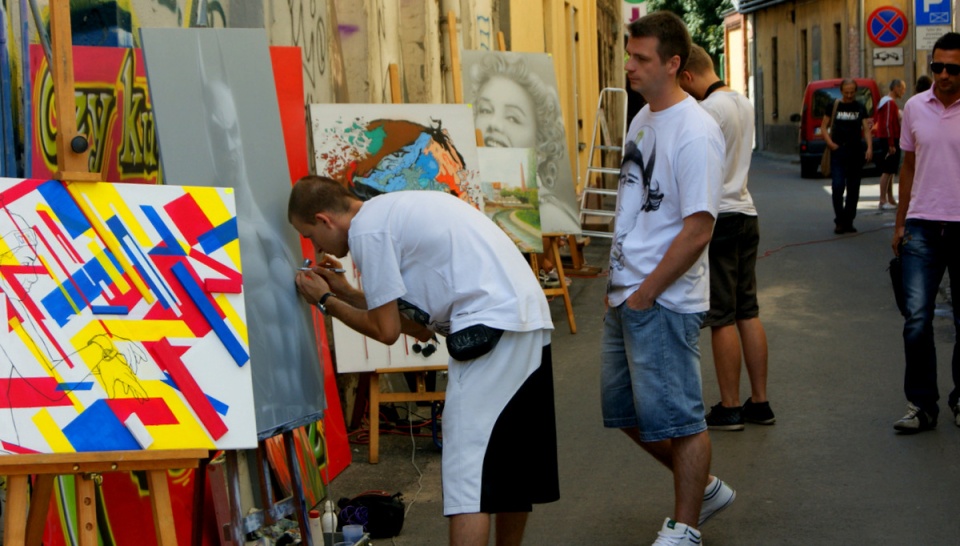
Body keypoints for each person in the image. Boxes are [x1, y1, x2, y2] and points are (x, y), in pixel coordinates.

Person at [288, 175, 559, 545]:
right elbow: (413, 325)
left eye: (309, 234)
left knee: (468, 481)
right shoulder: (390, 212)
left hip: (490, 328)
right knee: (508, 470)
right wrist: (348, 294)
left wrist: (325, 302)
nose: (314, 245)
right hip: (524, 320)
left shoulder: (368, 233)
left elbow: (385, 331)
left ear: (323, 219)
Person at [604, 12, 732, 545]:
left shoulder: (697, 131)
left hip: (662, 298)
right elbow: (633, 207)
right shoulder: (642, 119)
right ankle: (702, 487)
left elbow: (699, 229)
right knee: (623, 412)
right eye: (629, 56)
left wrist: (646, 293)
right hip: (627, 293)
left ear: (674, 64)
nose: (629, 66)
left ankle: (686, 528)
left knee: (680, 418)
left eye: (641, 58)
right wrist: (617, 288)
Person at [678, 44, 775, 432]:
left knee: (721, 316)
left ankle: (730, 406)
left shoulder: (705, 111)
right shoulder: (742, 102)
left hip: (719, 215)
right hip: (746, 211)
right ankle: (760, 401)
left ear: (687, 76)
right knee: (747, 310)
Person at [891, 32, 960, 433]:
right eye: (938, 66)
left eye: (953, 68)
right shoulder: (915, 107)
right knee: (916, 318)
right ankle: (922, 404)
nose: (944, 74)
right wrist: (900, 223)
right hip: (921, 226)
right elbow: (908, 166)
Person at [469, 52, 580, 283]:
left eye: (512, 118)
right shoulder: (466, 194)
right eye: (486, 110)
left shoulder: (549, 212)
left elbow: (545, 260)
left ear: (540, 145)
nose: (493, 125)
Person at [821, 78, 873, 234]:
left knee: (853, 188)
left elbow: (866, 128)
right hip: (838, 151)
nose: (849, 95)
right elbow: (823, 126)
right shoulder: (834, 106)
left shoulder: (860, 107)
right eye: (846, 92)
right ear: (842, 91)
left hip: (856, 152)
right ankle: (839, 220)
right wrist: (830, 143)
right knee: (837, 186)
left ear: (855, 91)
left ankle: (848, 221)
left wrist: (869, 147)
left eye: (852, 92)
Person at [875, 79, 906, 210]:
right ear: (896, 88)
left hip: (891, 139)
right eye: (902, 89)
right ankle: (883, 200)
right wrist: (891, 143)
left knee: (891, 170)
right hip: (890, 139)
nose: (903, 92)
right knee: (887, 170)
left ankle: (890, 198)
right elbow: (887, 123)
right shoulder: (889, 103)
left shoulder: (890, 103)